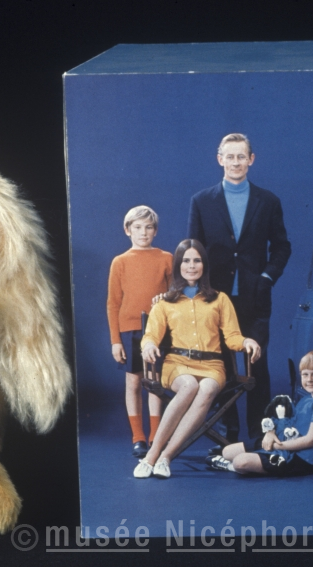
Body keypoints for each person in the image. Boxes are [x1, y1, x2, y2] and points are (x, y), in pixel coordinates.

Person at [188, 133, 291, 448]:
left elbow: (282, 247)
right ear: (220, 159)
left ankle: (260, 436)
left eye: (241, 156)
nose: (235, 162)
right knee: (219, 365)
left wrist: (266, 277)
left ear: (251, 160)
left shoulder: (268, 201)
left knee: (256, 364)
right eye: (229, 157)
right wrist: (199, 290)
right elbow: (194, 249)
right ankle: (227, 438)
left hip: (254, 296)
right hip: (214, 298)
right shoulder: (201, 201)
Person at [134, 239, 262, 478]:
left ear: (204, 265)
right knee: (189, 385)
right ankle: (151, 455)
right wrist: (149, 345)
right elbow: (151, 335)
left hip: (212, 366)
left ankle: (165, 457)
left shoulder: (220, 299)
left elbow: (232, 336)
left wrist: (246, 341)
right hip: (177, 365)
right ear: (178, 265)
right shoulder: (164, 302)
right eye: (186, 261)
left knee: (206, 388)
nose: (191, 266)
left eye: (197, 260)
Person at [106, 206, 172, 458]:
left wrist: (166, 298)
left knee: (154, 382)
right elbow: (113, 303)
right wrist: (115, 341)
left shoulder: (166, 258)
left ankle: (155, 434)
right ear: (127, 230)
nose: (143, 232)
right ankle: (138, 437)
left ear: (155, 231)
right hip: (130, 331)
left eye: (148, 227)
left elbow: (174, 295)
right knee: (133, 382)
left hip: (158, 329)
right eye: (137, 227)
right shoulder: (120, 262)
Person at [208, 350, 313, 476]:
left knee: (239, 462)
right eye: (305, 374)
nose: (309, 379)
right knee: (227, 451)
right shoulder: (306, 398)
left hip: (300, 457)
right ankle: (248, 460)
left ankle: (230, 466)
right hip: (283, 443)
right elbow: (288, 422)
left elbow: (310, 440)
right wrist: (271, 433)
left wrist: (275, 446)